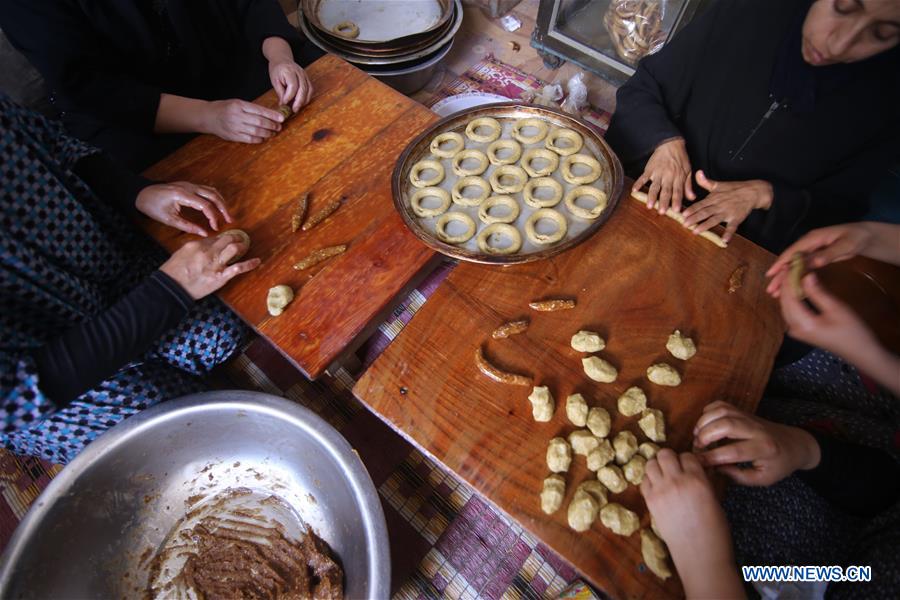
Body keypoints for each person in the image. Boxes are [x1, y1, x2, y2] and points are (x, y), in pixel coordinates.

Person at [641, 222, 900, 598]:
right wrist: (803, 449)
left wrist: (704, 560)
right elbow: (888, 485)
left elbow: (849, 577)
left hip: (819, 574)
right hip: (864, 464)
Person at [0, 94, 260, 464]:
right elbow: (15, 393)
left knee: (229, 323)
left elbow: (53, 141)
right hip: (52, 386)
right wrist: (170, 290)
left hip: (105, 267)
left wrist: (138, 192)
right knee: (182, 434)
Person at [605, 0, 900, 251]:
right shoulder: (749, 9)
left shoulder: (886, 101)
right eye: (843, 7)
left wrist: (766, 195)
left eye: (881, 33)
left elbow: (840, 208)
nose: (839, 44)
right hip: (639, 199)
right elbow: (643, 88)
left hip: (736, 246)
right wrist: (663, 141)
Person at [0, 0, 322, 169]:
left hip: (228, 60)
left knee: (319, 89)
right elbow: (88, 85)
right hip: (135, 116)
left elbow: (249, 3)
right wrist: (209, 116)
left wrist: (279, 55)